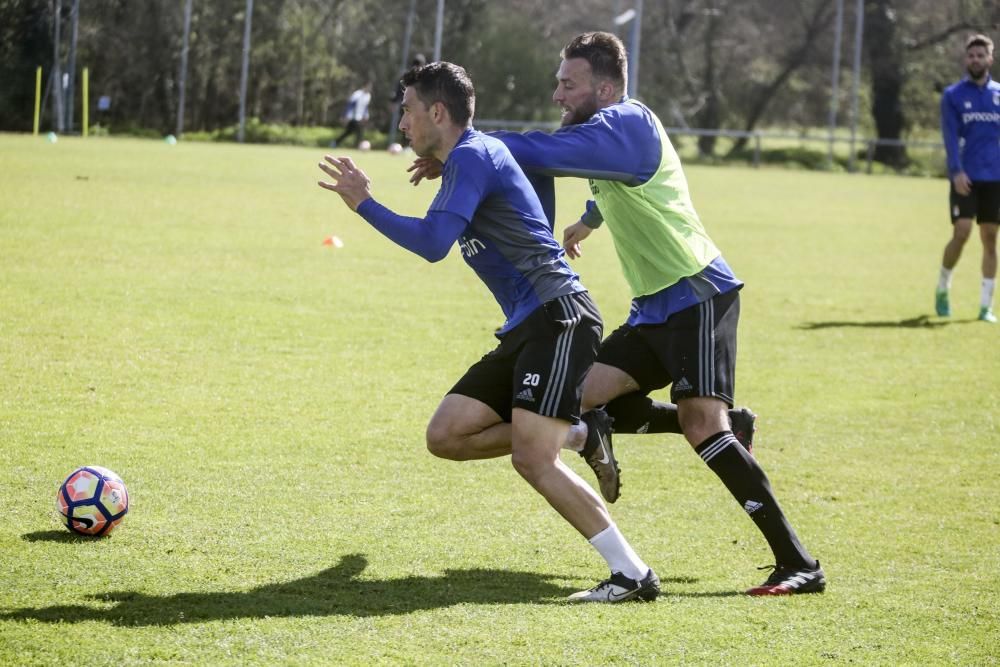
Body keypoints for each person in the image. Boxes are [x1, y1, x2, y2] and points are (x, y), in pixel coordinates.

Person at [410, 32, 823, 596]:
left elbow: (547, 154)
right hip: (655, 307)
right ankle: (698, 427)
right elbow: (611, 180)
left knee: (705, 425)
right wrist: (588, 218)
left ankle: (799, 564)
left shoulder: (627, 123)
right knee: (573, 398)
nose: (557, 94)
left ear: (604, 88)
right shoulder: (603, 135)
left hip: (700, 293)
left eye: (568, 83)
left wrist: (462, 152)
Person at [316, 61, 659, 603]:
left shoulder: (474, 156)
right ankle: (580, 432)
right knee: (447, 435)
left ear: (437, 111)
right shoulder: (469, 158)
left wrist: (363, 203)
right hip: (528, 324)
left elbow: (433, 243)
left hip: (559, 315)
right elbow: (523, 182)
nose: (402, 124)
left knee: (532, 459)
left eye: (407, 110)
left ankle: (631, 575)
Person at [937, 33, 1000, 323]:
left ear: (990, 58)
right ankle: (943, 286)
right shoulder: (953, 95)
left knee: (990, 238)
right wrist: (956, 171)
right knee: (961, 233)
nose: (975, 60)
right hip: (966, 176)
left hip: (995, 177)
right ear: (966, 60)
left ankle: (986, 306)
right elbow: (950, 137)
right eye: (970, 56)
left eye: (980, 55)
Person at [332, 82, 373, 148]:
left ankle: (335, 142)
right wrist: (345, 116)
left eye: (370, 88)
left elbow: (365, 107)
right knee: (360, 131)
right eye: (368, 87)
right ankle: (360, 146)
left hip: (359, 117)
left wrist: (366, 115)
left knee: (348, 132)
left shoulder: (368, 96)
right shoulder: (357, 94)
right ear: (364, 86)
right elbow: (350, 105)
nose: (369, 89)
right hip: (352, 117)